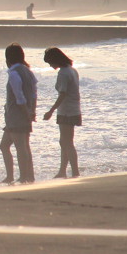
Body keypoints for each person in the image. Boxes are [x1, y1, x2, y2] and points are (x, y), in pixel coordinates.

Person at [0, 43, 37, 184]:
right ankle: (20, 176)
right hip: (19, 115)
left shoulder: (14, 73)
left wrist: (26, 112)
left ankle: (25, 177)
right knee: (6, 146)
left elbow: (19, 97)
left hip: (17, 115)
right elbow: (33, 94)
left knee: (21, 147)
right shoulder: (28, 71)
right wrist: (32, 111)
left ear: (8, 58)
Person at [42, 48, 81, 179]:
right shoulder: (72, 70)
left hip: (67, 111)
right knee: (65, 141)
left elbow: (62, 94)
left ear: (56, 60)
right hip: (74, 109)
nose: (50, 65)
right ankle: (63, 171)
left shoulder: (64, 73)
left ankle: (74, 172)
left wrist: (51, 111)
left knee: (66, 142)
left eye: (50, 62)